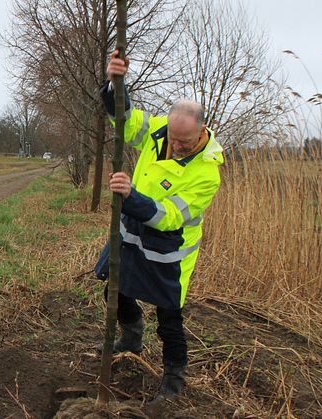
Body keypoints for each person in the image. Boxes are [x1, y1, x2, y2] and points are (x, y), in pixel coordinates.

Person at [94, 51, 224, 401]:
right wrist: (114, 83)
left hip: (170, 252)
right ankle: (132, 335)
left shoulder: (206, 173)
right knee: (114, 291)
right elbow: (125, 120)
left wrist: (130, 196)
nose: (176, 147)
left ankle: (173, 379)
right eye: (173, 139)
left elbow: (169, 217)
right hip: (131, 235)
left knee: (169, 320)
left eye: (185, 142)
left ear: (202, 133)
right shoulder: (158, 133)